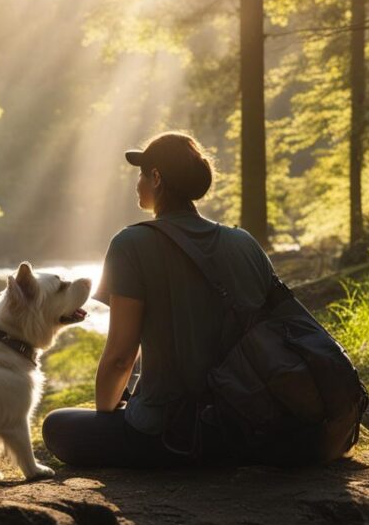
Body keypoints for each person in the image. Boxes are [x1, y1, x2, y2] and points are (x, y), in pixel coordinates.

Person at [41, 131, 276, 467]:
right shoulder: (245, 243)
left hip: (171, 434)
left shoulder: (131, 244)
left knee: (57, 426)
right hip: (245, 425)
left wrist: (107, 416)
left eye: (141, 174)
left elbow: (121, 357)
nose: (137, 183)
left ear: (156, 177)